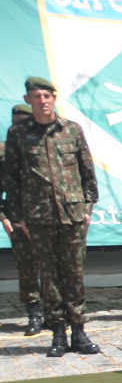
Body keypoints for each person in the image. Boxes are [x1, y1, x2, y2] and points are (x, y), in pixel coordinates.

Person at [3, 76, 100, 357]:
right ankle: (58, 333)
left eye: (47, 95)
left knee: (74, 275)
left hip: (72, 216)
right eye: (36, 96)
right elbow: (11, 177)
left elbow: (87, 172)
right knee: (50, 277)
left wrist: (87, 208)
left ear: (54, 98)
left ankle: (79, 332)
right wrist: (19, 217)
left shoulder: (71, 130)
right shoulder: (18, 134)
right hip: (38, 217)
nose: (42, 101)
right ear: (28, 100)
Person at [2, 104, 43, 335]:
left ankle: (53, 313)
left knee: (51, 270)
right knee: (27, 269)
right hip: (18, 219)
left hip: (45, 216)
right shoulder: (3, 153)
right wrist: (5, 218)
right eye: (15, 122)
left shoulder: (41, 148)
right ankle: (34, 313)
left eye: (23, 122)